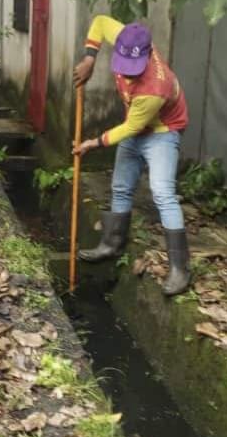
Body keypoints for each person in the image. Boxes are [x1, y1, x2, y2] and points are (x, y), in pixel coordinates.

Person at [72, 15, 191, 296]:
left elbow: (133, 126)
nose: (126, 75)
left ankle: (180, 268)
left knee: (162, 192)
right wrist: (90, 58)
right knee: (121, 186)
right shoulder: (127, 37)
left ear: (148, 55)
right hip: (136, 128)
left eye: (132, 70)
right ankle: (112, 244)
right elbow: (100, 22)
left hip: (162, 132)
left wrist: (93, 143)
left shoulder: (154, 88)